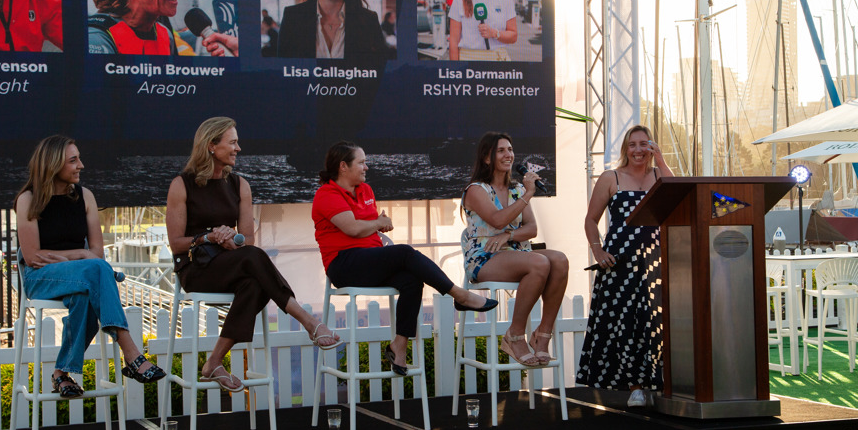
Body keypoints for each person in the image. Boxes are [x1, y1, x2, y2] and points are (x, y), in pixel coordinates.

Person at [166, 117, 340, 392]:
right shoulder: (182, 184)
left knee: (256, 282)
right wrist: (208, 237)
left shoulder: (239, 185)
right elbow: (176, 244)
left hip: (229, 262)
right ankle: (309, 322)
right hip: (196, 269)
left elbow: (246, 240)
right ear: (211, 145)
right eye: (232, 142)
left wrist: (229, 238)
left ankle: (213, 363)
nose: (238, 148)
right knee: (255, 259)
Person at [312, 141, 498, 374]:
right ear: (343, 167)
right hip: (344, 264)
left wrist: (377, 225)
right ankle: (458, 294)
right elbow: (352, 229)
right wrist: (378, 223)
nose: (366, 167)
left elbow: (366, 227)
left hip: (371, 259)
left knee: (412, 281)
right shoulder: (326, 194)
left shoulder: (365, 191)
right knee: (403, 252)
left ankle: (399, 346)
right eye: (361, 162)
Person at [15, 135, 165, 398]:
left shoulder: (86, 197)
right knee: (97, 270)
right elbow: (32, 257)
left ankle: (61, 373)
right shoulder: (28, 199)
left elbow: (96, 253)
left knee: (87, 291)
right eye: (73, 160)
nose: (81, 165)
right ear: (52, 165)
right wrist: (80, 254)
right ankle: (131, 353)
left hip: (80, 278)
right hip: (41, 279)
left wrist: (70, 258)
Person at [576, 124, 674, 408]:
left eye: (644, 144)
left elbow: (677, 197)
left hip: (656, 261)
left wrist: (663, 160)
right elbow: (590, 220)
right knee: (626, 323)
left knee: (655, 322)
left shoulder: (659, 175)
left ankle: (660, 382)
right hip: (620, 262)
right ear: (625, 149)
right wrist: (597, 250)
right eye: (633, 145)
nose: (638, 150)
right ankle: (635, 388)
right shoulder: (611, 177)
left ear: (652, 147)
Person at [460, 132, 569, 367]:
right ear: (487, 158)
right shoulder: (476, 190)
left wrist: (509, 235)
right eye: (501, 150)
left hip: (518, 253)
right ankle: (515, 335)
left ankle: (542, 335)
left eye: (510, 149)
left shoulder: (517, 189)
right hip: (484, 257)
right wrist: (529, 194)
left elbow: (531, 229)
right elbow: (497, 220)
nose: (508, 154)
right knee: (539, 262)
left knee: (559, 260)